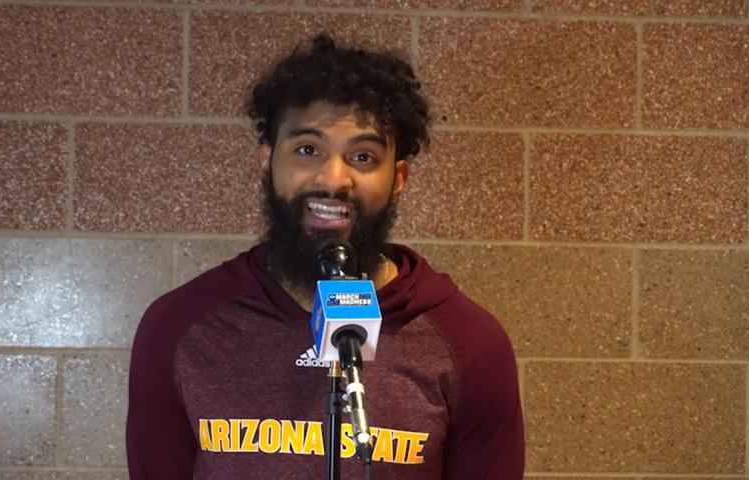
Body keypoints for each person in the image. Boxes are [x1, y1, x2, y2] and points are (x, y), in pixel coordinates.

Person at [126, 35, 524, 479]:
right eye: (307, 150)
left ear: (398, 178)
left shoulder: (470, 343)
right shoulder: (179, 327)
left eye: (363, 156)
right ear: (267, 161)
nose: (333, 180)